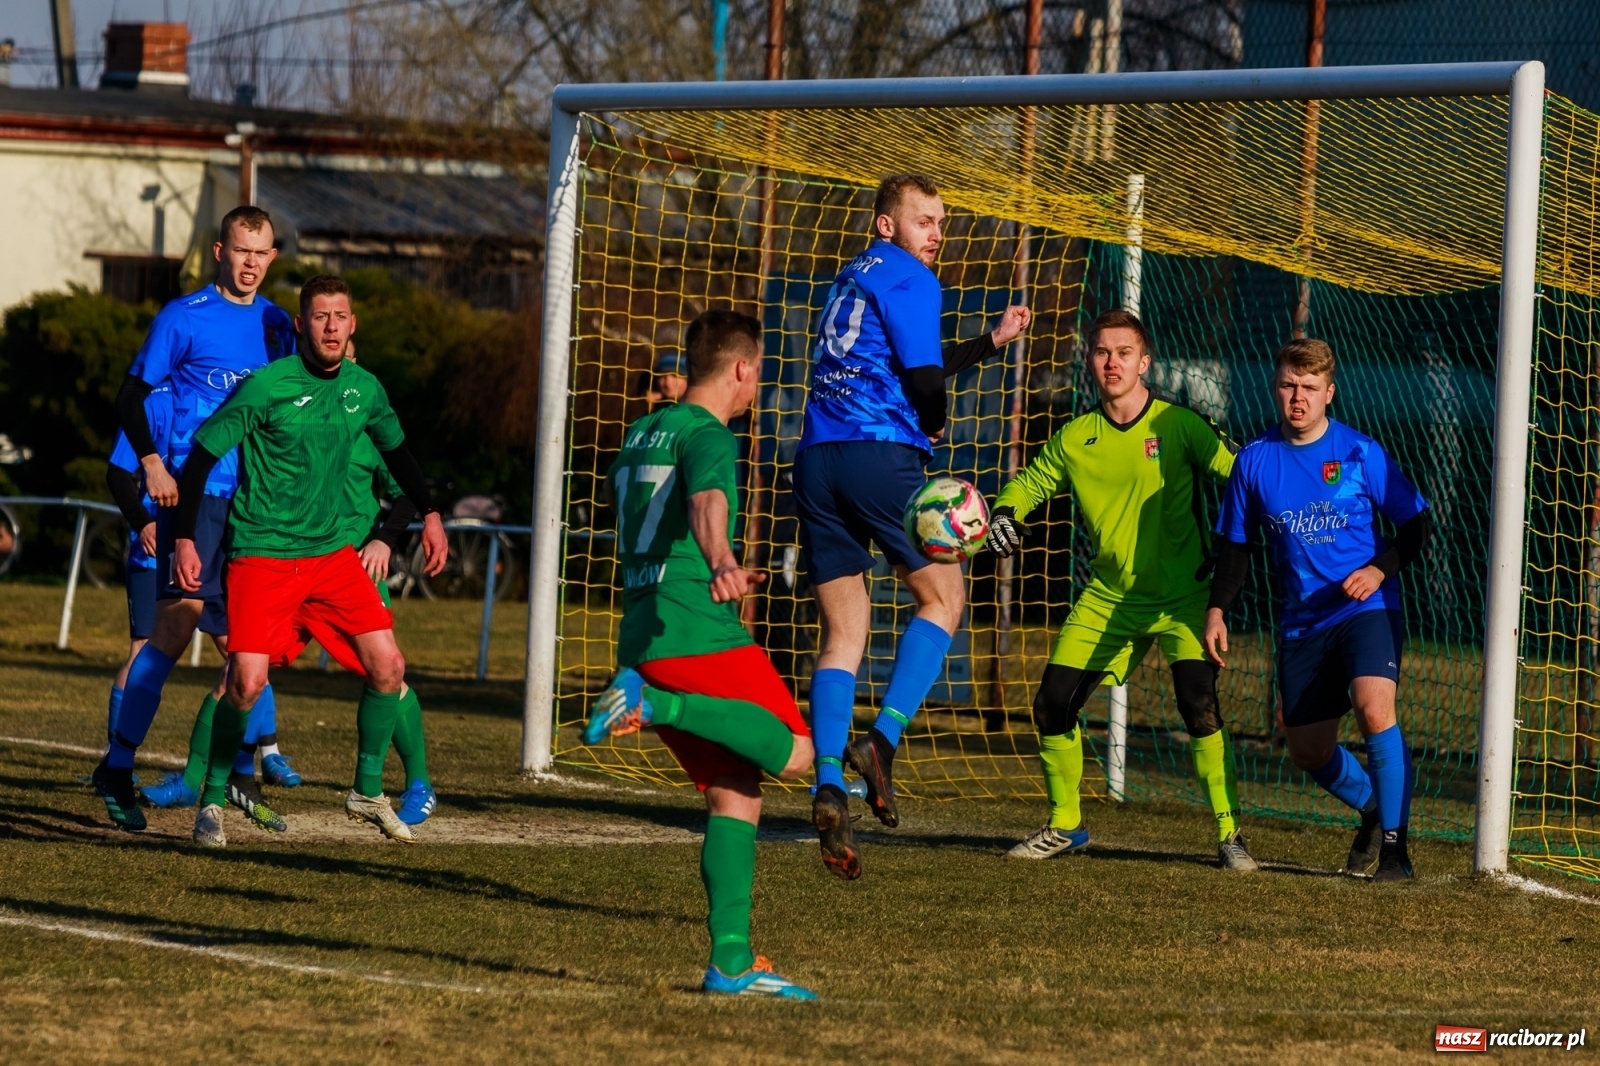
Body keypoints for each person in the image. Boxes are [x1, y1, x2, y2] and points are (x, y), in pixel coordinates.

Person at [795, 172, 1029, 879]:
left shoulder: (851, 278)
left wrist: (988, 341)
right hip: (876, 456)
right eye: (924, 220)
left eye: (941, 222)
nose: (937, 234)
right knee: (945, 598)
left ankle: (829, 781)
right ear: (886, 225)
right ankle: (884, 742)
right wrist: (934, 423)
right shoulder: (915, 280)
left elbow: (905, 363)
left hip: (814, 461)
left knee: (843, 633)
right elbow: (923, 388)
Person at [582, 309, 819, 1000]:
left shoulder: (641, 431)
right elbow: (708, 501)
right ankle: (654, 705)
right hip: (693, 627)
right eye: (758, 374)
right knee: (799, 750)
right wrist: (721, 558)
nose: (757, 388)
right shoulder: (709, 433)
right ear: (742, 368)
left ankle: (732, 962)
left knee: (735, 793)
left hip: (644, 627)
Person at [171, 274, 447, 847]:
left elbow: (399, 454)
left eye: (339, 316)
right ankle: (214, 799)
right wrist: (185, 538)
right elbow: (199, 457)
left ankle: (367, 792)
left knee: (389, 667)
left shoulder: (364, 389)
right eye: (319, 316)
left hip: (328, 557)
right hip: (263, 557)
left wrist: (432, 513)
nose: (330, 326)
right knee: (245, 683)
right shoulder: (266, 386)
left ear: (352, 326)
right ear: (301, 325)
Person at [986, 309, 1257, 871]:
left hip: (1184, 599)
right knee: (1051, 704)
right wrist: (1006, 514)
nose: (1113, 363)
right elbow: (1031, 483)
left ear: (1145, 362)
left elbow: (1242, 474)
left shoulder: (1180, 425)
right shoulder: (1075, 437)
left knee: (1198, 705)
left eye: (1124, 353)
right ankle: (1065, 825)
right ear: (1090, 360)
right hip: (1107, 598)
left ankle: (1230, 835)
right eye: (1102, 352)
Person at [92, 204, 297, 830]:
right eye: (242, 250)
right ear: (219, 252)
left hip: (256, 505)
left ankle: (226, 776)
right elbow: (131, 396)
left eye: (262, 253)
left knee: (247, 648)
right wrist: (151, 463)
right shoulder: (183, 318)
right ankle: (118, 767)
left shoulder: (280, 326)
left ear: (273, 258)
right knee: (174, 635)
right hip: (197, 499)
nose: (251, 264)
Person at [1206, 338, 1429, 882]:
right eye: (1288, 385)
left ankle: (1396, 853)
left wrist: (1380, 568)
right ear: (1275, 387)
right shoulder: (1254, 461)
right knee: (1307, 749)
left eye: (1309, 387)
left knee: (1374, 708)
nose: (1297, 397)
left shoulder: (1360, 453)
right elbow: (1237, 547)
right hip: (1301, 623)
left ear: (1329, 392)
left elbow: (1416, 523)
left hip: (1365, 608)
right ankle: (1374, 810)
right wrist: (1216, 610)